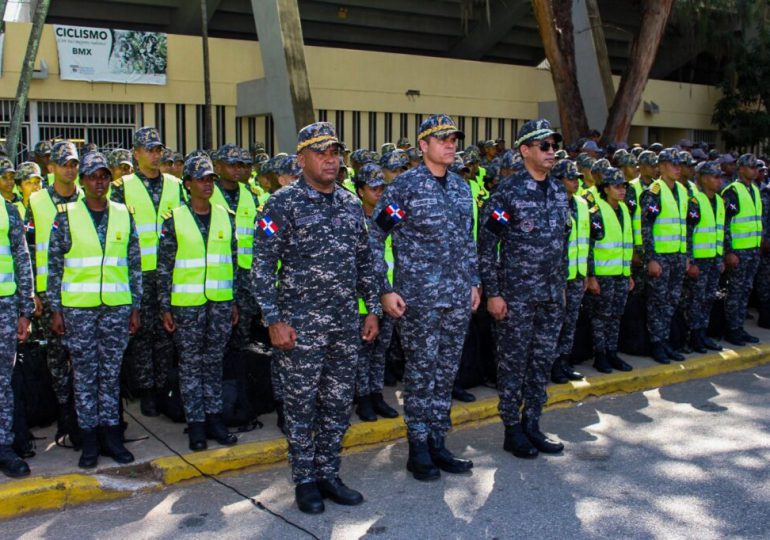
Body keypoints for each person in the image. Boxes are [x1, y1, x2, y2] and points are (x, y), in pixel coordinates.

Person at [251, 122, 380, 514]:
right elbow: (261, 266)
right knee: (301, 404)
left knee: (338, 403)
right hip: (300, 326)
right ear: (301, 158)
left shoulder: (349, 203)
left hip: (344, 324)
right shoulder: (281, 203)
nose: (331, 158)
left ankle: (329, 472)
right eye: (321, 151)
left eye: (335, 152)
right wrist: (274, 319)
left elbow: (365, 260)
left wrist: (371, 308)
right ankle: (305, 479)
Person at [370, 114, 478, 481]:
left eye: (453, 138)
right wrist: (384, 289)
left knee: (446, 372)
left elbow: (468, 241)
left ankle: (437, 441)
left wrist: (475, 282)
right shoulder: (405, 188)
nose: (450, 144)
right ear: (423, 146)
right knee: (420, 373)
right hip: (418, 299)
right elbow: (375, 237)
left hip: (457, 296)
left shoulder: (462, 188)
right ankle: (418, 448)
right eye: (442, 138)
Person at [478, 119, 568, 459]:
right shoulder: (508, 192)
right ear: (525, 151)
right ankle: (511, 428)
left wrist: (561, 286)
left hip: (550, 294)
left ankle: (532, 423)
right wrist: (494, 293)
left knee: (541, 361)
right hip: (516, 296)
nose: (551, 152)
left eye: (553, 145)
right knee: (513, 363)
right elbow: (486, 246)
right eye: (543, 146)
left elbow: (563, 243)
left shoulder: (559, 191)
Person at [47, 152, 142, 468]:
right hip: (79, 310)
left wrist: (135, 307)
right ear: (83, 181)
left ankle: (112, 438)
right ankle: (89, 442)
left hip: (116, 308)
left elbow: (134, 265)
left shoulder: (122, 214)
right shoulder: (66, 216)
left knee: (111, 376)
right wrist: (55, 310)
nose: (99, 182)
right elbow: (55, 267)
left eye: (103, 176)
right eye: (92, 177)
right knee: (85, 378)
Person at [157, 155, 239, 451]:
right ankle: (196, 425)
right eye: (201, 179)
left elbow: (231, 262)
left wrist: (233, 302)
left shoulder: (225, 216)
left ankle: (216, 418)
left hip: (219, 302)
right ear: (188, 184)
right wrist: (165, 307)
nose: (207, 184)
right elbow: (164, 266)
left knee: (214, 362)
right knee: (191, 366)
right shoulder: (174, 219)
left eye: (210, 179)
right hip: (186, 304)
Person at [111, 127, 184, 416]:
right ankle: (146, 389)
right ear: (136, 153)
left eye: (158, 150)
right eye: (149, 150)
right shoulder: (122, 186)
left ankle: (164, 384)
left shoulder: (174, 185)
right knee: (141, 332)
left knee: (166, 333)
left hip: (168, 271)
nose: (155, 155)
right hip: (137, 271)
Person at [27, 141, 83, 434]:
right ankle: (64, 411)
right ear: (51, 168)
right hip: (50, 291)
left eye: (74, 164)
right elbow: (27, 247)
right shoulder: (37, 202)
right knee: (57, 355)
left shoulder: (89, 197)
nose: (70, 169)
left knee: (84, 355)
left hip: (84, 290)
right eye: (64, 164)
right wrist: (33, 292)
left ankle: (82, 411)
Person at [352, 162, 399, 422]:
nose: (379, 193)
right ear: (361, 191)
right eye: (373, 188)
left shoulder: (391, 215)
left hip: (389, 293)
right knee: (362, 350)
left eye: (382, 187)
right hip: (362, 297)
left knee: (381, 349)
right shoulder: (353, 217)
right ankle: (363, 399)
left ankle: (376, 394)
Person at [640, 148, 689, 363]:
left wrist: (687, 255)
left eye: (679, 164)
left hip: (677, 256)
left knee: (671, 301)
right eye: (672, 164)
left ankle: (666, 340)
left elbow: (684, 226)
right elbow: (646, 227)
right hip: (660, 257)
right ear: (661, 167)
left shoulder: (681, 190)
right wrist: (651, 258)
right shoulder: (655, 191)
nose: (677, 168)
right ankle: (657, 343)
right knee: (657, 302)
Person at [586, 168, 635, 373]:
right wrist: (592, 277)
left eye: (623, 186)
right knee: (601, 317)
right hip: (603, 275)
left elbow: (625, 244)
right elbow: (589, 245)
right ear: (605, 189)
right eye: (616, 186)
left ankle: (612, 352)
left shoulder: (624, 210)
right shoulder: (597, 211)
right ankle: (600, 355)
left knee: (616, 316)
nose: (622, 190)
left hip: (621, 274)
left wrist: (629, 273)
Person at [211, 144, 260, 351]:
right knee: (218, 334)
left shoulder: (250, 194)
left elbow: (261, 228)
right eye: (231, 165)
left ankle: (239, 378)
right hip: (219, 273)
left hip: (246, 273)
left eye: (241, 165)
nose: (237, 170)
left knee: (244, 332)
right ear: (218, 167)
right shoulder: (208, 192)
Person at [0, 186, 34, 478]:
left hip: (4, 306)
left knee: (2, 382)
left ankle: (4, 446)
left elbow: (22, 259)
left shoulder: (8, 210)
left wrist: (25, 310)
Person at [721, 153, 763, 345]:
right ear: (742, 169)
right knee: (735, 291)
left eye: (756, 167)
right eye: (751, 167)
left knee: (745, 289)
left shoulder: (754, 189)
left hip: (752, 250)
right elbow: (726, 224)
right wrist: (729, 251)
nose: (755, 170)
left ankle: (739, 327)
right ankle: (731, 329)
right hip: (738, 252)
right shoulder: (733, 191)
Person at [551, 160, 586, 383]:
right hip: (559, 277)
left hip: (577, 274)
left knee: (570, 322)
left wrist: (586, 274)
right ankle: (552, 364)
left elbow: (585, 242)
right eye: (570, 178)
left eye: (576, 178)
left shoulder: (581, 204)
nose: (575, 182)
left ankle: (564, 361)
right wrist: (559, 280)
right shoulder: (553, 203)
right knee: (554, 324)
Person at [684, 161, 725, 352]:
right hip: (699, 261)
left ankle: (703, 334)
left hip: (713, 259)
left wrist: (721, 257)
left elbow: (720, 232)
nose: (719, 180)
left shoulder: (718, 201)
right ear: (703, 178)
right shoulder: (695, 201)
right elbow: (688, 233)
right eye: (715, 176)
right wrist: (690, 260)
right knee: (696, 300)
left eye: (719, 176)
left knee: (708, 298)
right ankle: (693, 337)